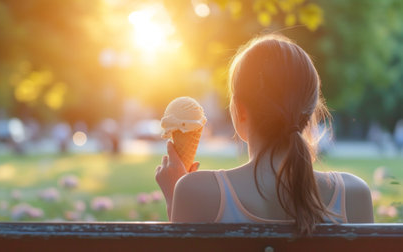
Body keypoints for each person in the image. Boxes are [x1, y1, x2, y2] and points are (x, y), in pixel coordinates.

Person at [155, 34, 373, 234]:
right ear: (309, 111)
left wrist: (175, 200)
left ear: (240, 110)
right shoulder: (354, 194)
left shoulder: (195, 191)